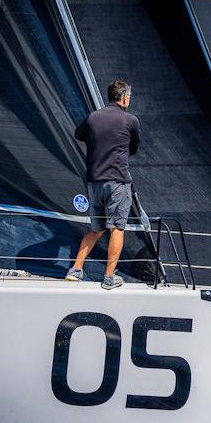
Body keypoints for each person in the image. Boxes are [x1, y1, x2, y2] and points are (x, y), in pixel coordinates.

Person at [65, 80, 140, 289]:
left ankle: (76, 269)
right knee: (117, 228)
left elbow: (78, 134)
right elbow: (134, 147)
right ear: (124, 97)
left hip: (94, 182)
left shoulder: (93, 117)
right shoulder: (130, 120)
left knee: (96, 228)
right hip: (117, 181)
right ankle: (109, 277)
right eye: (129, 97)